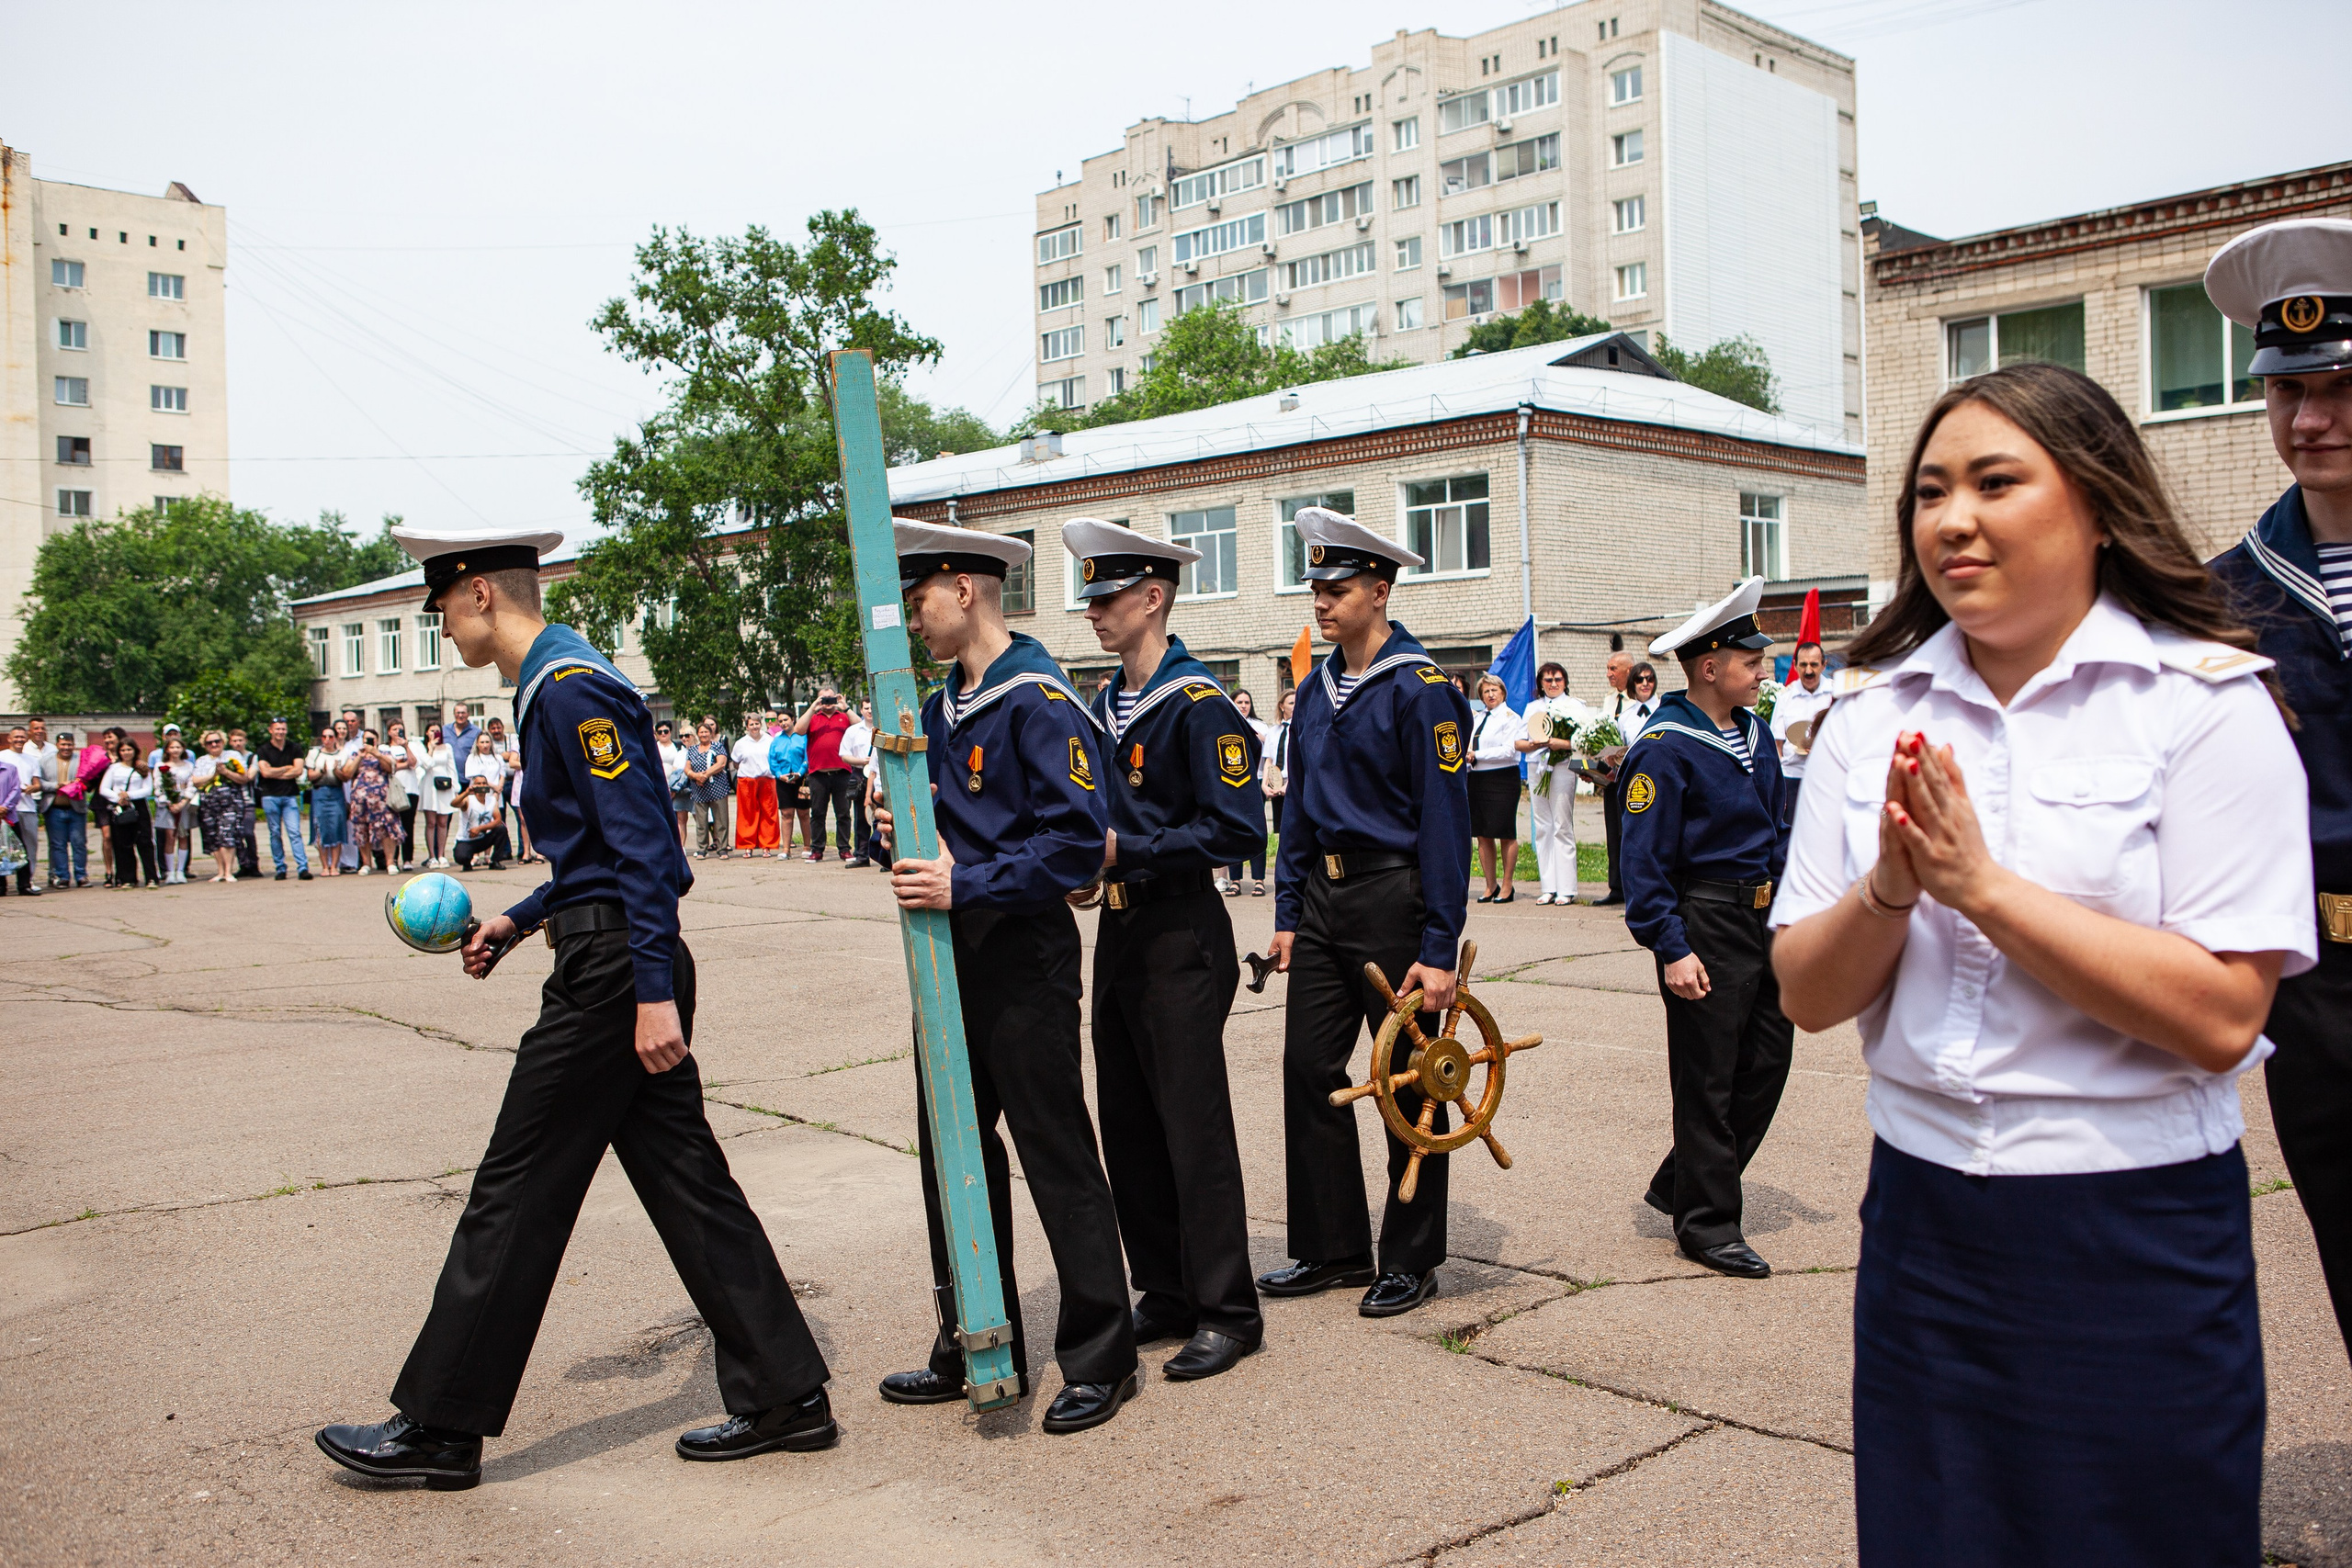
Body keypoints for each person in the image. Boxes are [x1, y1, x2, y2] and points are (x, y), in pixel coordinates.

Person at [1771, 362, 2312, 1564]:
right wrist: (1893, 886)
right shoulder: (1870, 715)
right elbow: (1807, 993)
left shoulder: (2202, 704)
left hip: (2127, 1229)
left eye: (1995, 483)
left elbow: (2223, 1013)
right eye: (1930, 492)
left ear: (2099, 503)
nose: (1952, 519)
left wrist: (1983, 888)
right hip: (1922, 1225)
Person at [317, 525, 833, 1492]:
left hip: (615, 974)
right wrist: (518, 919)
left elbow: (647, 852)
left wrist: (651, 993)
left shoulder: (570, 687)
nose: (443, 631)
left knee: (516, 1187)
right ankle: (786, 1394)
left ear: (480, 594)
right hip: (612, 956)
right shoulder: (555, 682)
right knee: (687, 1182)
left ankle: (440, 1426)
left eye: (442, 611)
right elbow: (595, 854)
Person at [873, 519, 1140, 1434]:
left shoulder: (1037, 698)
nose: (914, 618)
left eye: (920, 599)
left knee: (1053, 1149)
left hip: (1021, 954)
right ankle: (974, 1338)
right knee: (952, 1151)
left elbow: (1075, 847)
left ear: (965, 590)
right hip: (949, 951)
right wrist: (903, 827)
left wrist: (968, 878)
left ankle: (1100, 1355)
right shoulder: (942, 704)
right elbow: (959, 821)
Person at [1067, 518, 1268, 1382]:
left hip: (1181, 927)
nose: (1093, 612)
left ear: (1153, 598)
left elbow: (1238, 827)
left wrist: (1130, 850)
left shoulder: (1198, 703)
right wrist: (1090, 870)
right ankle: (1168, 1286)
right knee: (1130, 1121)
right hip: (1119, 927)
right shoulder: (1104, 704)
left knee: (1193, 1125)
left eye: (1108, 598)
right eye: (1090, 598)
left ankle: (1229, 1308)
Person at [1259, 508, 1473, 1319]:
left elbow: (1445, 823)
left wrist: (1441, 945)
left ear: (1379, 592)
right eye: (1316, 588)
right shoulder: (1315, 691)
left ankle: (1411, 1258)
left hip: (1394, 896)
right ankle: (1334, 1247)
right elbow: (1299, 813)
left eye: (1338, 588)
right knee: (1309, 1068)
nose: (1322, 601)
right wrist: (1287, 910)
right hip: (1323, 900)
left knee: (1410, 1078)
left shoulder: (1422, 689)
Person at [2205, 219, 2352, 1371]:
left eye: (2343, 386)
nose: (2310, 419)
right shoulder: (2222, 600)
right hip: (2320, 996)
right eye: (2288, 389)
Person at [1618, 579, 1792, 1280]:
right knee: (1708, 1078)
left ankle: (1684, 1179)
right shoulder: (1665, 747)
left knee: (1767, 1062)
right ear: (1712, 667)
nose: (1763, 670)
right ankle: (1708, 1224)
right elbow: (1643, 863)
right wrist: (1672, 946)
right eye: (1752, 661)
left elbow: (1777, 830)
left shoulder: (1754, 732)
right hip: (1708, 920)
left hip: (1764, 917)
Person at [1518, 662, 1592, 906]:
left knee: (1562, 824)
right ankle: (1548, 886)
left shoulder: (1575, 706)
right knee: (1543, 826)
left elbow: (1584, 740)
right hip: (1537, 765)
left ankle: (1567, 888)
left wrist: (1561, 743)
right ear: (1540, 683)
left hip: (1562, 765)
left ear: (1565, 682)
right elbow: (1519, 741)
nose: (1553, 684)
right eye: (1548, 680)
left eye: (1557, 679)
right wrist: (1534, 744)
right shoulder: (1533, 707)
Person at [1467, 672, 1527, 904]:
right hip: (1477, 778)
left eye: (1494, 690)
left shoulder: (1511, 717)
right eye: (1486, 691)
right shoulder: (1477, 718)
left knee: (1505, 832)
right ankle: (1490, 885)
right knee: (1483, 834)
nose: (1490, 695)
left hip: (1502, 779)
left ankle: (1508, 885)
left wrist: (1477, 755)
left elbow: (1509, 750)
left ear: (1503, 692)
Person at [1588, 650, 1635, 905]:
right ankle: (1616, 887)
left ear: (1629, 670)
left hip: (1632, 775)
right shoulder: (1609, 701)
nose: (1608, 674)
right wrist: (1594, 770)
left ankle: (1633, 888)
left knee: (1631, 832)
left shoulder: (1638, 703)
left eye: (1613, 669)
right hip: (1610, 777)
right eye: (1607, 668)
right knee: (1613, 832)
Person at [1770, 641, 1833, 830]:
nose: (1808, 671)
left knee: (1826, 830)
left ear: (1824, 665)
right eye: (1803, 665)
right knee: (1792, 832)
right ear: (1795, 665)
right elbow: (1777, 744)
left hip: (1827, 776)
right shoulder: (1785, 698)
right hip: (1793, 779)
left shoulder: (1836, 694)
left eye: (1814, 664)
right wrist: (1779, 786)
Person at [1216, 688, 1272, 896]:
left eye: (1247, 702)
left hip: (1256, 781)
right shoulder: (1225, 723)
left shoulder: (1260, 726)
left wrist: (1256, 735)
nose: (1243, 706)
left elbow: (1270, 752)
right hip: (1232, 783)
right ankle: (1235, 881)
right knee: (1234, 831)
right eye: (1239, 702)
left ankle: (1259, 880)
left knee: (1257, 830)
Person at [797, 690, 855, 863]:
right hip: (818, 774)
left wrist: (845, 707)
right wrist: (813, 707)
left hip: (842, 772)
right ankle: (817, 849)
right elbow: (799, 730)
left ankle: (844, 849)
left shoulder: (843, 716)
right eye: (824, 698)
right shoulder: (813, 717)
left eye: (831, 697)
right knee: (817, 813)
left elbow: (861, 728)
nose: (828, 701)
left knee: (843, 813)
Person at [254, 717, 312, 882]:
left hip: (289, 796)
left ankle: (303, 867)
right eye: (277, 729)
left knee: (294, 832)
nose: (280, 732)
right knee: (275, 833)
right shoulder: (263, 749)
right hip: (270, 796)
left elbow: (298, 770)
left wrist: (276, 772)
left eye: (283, 729)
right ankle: (280, 867)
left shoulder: (294, 748)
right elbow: (265, 773)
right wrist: (286, 769)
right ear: (270, 730)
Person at [189, 731, 247, 884]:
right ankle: (220, 871)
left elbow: (244, 777)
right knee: (212, 835)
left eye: (217, 741)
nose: (214, 744)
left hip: (230, 801)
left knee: (227, 834)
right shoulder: (202, 760)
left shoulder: (233, 756)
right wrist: (213, 775)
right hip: (208, 802)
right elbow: (195, 781)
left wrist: (225, 772)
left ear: (223, 741)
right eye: (210, 743)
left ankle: (228, 871)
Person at [99, 740, 159, 888]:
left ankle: (151, 877)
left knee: (145, 842)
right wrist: (118, 798)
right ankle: (127, 878)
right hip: (120, 807)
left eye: (129, 749)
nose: (126, 753)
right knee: (123, 844)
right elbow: (104, 789)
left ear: (135, 750)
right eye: (123, 750)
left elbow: (148, 789)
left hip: (138, 806)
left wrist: (130, 795)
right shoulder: (114, 768)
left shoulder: (141, 768)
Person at [346, 732, 401, 875]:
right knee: (361, 829)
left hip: (381, 799)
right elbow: (347, 773)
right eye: (366, 740)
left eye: (371, 739)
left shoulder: (384, 752)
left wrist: (376, 754)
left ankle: (390, 862)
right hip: (360, 800)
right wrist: (360, 756)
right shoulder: (356, 754)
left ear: (377, 740)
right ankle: (366, 863)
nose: (368, 742)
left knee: (386, 829)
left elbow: (391, 768)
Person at [42, 730, 89, 888]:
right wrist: (57, 786)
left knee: (79, 843)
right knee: (58, 845)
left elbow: (89, 779)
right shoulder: (45, 761)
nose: (66, 748)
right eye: (63, 744)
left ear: (74, 745)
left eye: (69, 744)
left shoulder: (81, 760)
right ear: (57, 745)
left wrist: (79, 784)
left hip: (76, 809)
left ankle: (81, 875)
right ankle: (62, 876)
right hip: (54, 809)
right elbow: (39, 782)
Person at [731, 709, 779, 857]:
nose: (754, 727)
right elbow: (736, 762)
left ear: (761, 724)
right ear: (747, 726)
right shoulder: (741, 743)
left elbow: (775, 759)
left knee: (768, 812)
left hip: (767, 779)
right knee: (747, 813)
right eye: (751, 724)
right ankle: (748, 845)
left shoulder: (770, 740)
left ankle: (767, 845)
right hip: (747, 780)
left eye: (757, 724)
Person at [303, 727, 349, 876]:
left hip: (336, 792)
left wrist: (336, 772)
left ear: (335, 738)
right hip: (319, 793)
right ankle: (324, 866)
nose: (327, 740)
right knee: (320, 828)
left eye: (330, 737)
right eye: (324, 737)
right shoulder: (314, 753)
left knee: (337, 828)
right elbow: (310, 776)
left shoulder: (342, 754)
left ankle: (334, 866)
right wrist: (321, 772)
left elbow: (346, 777)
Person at [836, 700, 875, 867]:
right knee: (861, 818)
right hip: (860, 775)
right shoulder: (853, 731)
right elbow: (844, 755)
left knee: (883, 817)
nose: (870, 711)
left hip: (880, 776)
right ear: (861, 710)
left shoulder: (883, 729)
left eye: (872, 708)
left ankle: (886, 857)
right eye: (866, 708)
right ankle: (862, 856)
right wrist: (861, 761)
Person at [768, 709, 810, 857]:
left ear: (793, 719)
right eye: (780, 721)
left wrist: (800, 772)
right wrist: (780, 775)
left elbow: (807, 756)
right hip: (783, 780)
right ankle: (786, 849)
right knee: (786, 813)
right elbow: (772, 760)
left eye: (785, 720)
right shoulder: (777, 740)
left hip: (801, 780)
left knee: (804, 813)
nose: (783, 723)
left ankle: (807, 847)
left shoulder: (803, 738)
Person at [684, 721, 730, 856]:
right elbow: (687, 768)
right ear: (697, 734)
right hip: (699, 790)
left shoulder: (717, 746)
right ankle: (702, 849)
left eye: (706, 732)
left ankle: (722, 848)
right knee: (701, 822)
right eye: (701, 732)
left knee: (721, 820)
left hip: (717, 789)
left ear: (710, 733)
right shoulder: (692, 749)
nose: (704, 734)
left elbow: (721, 763)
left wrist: (704, 775)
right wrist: (695, 776)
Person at [153, 733, 193, 884]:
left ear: (183, 749)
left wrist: (184, 801)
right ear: (167, 750)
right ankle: (169, 871)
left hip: (183, 802)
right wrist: (169, 802)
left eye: (178, 747)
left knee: (183, 836)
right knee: (170, 836)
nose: (175, 750)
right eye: (172, 747)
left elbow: (191, 784)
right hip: (168, 804)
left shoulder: (188, 765)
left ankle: (181, 870)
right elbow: (158, 786)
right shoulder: (160, 766)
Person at [1, 728, 38, 895]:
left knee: (20, 849)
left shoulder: (10, 769)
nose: (19, 739)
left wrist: (5, 807)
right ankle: (1, 886)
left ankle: (24, 884)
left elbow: (15, 789)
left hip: (9, 816)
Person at [419, 722, 458, 867]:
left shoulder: (447, 747)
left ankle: (441, 854)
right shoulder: (422, 747)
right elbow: (427, 765)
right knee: (431, 823)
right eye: (432, 731)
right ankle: (432, 856)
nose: (435, 733)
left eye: (437, 730)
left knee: (443, 822)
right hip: (430, 786)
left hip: (444, 786)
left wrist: (455, 787)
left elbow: (451, 768)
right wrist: (431, 748)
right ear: (426, 732)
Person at [448, 780, 510, 870]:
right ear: (473, 785)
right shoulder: (468, 799)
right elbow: (453, 804)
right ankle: (467, 863)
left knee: (501, 829)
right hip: (466, 840)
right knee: (461, 857)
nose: (482, 785)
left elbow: (498, 820)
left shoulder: (491, 800)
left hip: (482, 838)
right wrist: (466, 793)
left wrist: (479, 828)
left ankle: (495, 861)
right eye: (478, 783)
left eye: (484, 783)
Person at [385, 721, 422, 871]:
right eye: (394, 729)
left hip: (410, 790)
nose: (397, 732)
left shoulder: (411, 746)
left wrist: (406, 747)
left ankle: (407, 859)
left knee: (408, 826)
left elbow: (413, 763)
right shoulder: (385, 749)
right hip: (392, 791)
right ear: (389, 732)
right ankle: (393, 858)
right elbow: (388, 767)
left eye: (400, 729)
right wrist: (402, 765)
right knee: (392, 826)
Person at [656, 720, 691, 851]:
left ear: (670, 732)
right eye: (660, 732)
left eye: (666, 731)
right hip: (659, 785)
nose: (663, 734)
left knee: (678, 817)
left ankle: (679, 845)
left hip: (676, 787)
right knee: (661, 815)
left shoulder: (677, 746)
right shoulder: (653, 746)